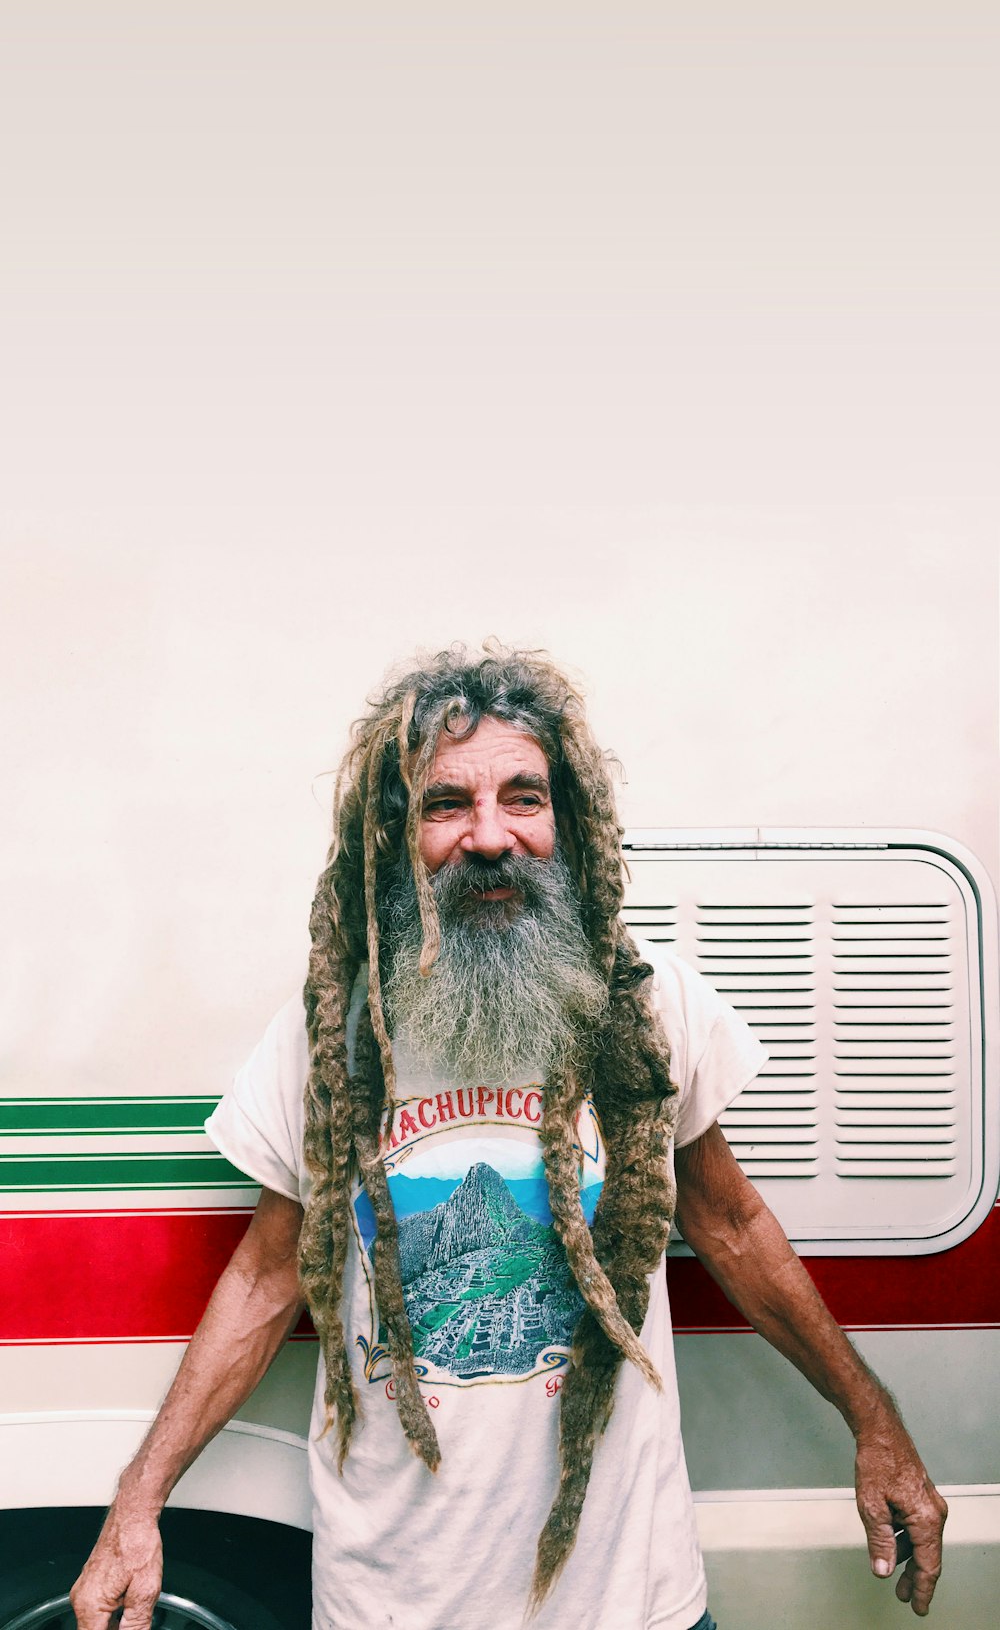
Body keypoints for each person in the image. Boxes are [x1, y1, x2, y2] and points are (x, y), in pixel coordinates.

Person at [71, 647, 947, 1630]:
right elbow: (269, 1274)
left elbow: (732, 1223)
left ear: (566, 821)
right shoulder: (335, 1032)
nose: (490, 835)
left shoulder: (649, 1004)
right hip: (392, 1607)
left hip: (633, 1605)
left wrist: (875, 1420)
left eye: (521, 795)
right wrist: (137, 1501)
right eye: (446, 802)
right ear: (395, 832)